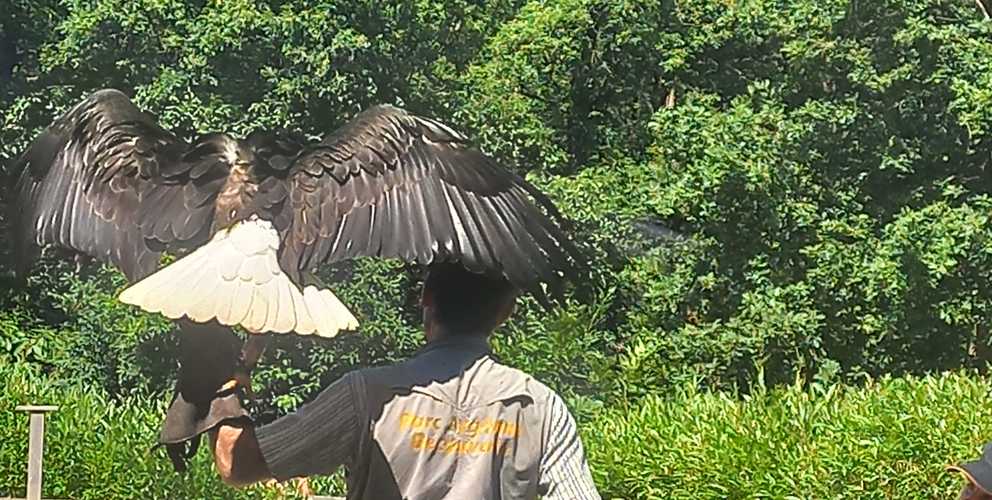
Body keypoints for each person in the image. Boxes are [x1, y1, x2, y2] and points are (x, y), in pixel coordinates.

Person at [202, 263, 601, 499]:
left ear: (425, 298)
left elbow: (239, 463)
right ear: (506, 311)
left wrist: (226, 381)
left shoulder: (366, 396)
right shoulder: (540, 408)